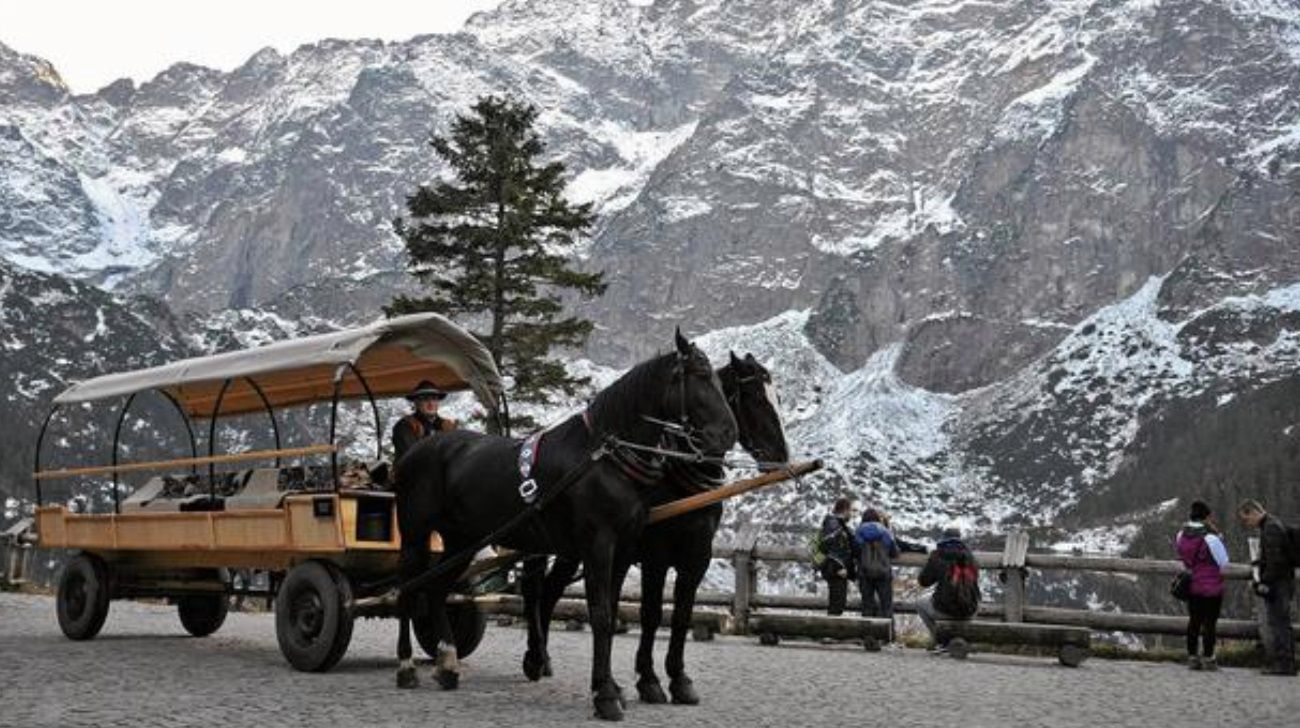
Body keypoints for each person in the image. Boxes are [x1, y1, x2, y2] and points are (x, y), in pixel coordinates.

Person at [1238, 499, 1296, 676]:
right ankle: (1286, 662)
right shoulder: (1273, 524)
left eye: (1247, 519)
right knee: (1282, 622)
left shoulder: (1270, 529)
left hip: (1279, 583)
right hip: (1284, 580)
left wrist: (1263, 580)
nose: (1247, 523)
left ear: (1254, 512)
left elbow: (1276, 561)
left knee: (1278, 623)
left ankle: (1283, 663)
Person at [1176, 500, 1229, 671]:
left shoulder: (1181, 535)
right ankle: (1209, 658)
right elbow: (1224, 562)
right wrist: (1219, 540)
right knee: (1210, 624)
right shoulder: (1210, 537)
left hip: (1193, 585)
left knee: (1194, 622)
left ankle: (1192, 657)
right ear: (1207, 517)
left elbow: (1184, 558)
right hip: (1212, 587)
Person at [917, 526, 980, 651]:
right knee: (975, 602)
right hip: (969, 610)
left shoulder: (938, 555)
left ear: (944, 539)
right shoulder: (970, 557)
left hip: (944, 609)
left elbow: (924, 581)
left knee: (920, 603)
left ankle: (939, 640)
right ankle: (960, 639)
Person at [392, 380, 456, 460]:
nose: (431, 403)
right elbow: (412, 457)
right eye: (425, 399)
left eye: (434, 399)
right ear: (416, 402)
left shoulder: (447, 426)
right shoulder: (405, 426)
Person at [854, 508, 900, 619]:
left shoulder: (859, 532)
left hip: (864, 574)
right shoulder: (885, 532)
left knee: (867, 606)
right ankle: (887, 634)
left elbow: (855, 552)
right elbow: (894, 553)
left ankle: (867, 634)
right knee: (886, 606)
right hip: (883, 573)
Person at [820, 497, 856, 616]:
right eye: (850, 510)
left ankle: (830, 631)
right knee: (837, 603)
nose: (851, 514)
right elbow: (833, 547)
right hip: (837, 570)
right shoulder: (835, 525)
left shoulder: (835, 524)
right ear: (845, 510)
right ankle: (830, 632)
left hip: (837, 569)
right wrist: (838, 568)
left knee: (837, 603)